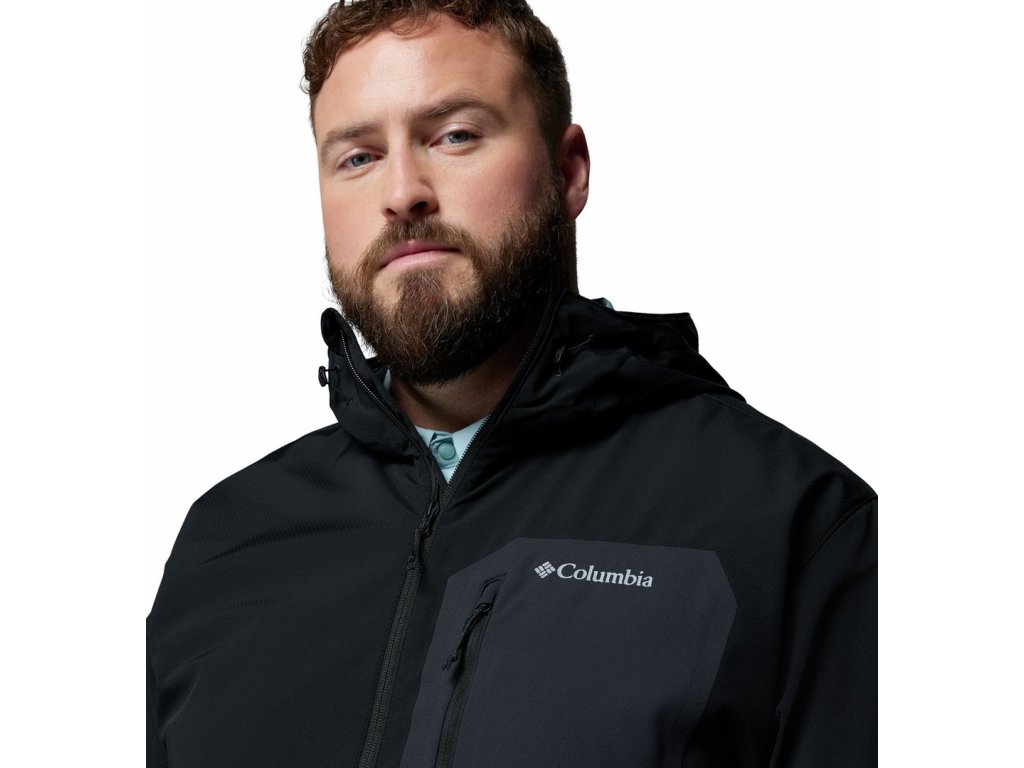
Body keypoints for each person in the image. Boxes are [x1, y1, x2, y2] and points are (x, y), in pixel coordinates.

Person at [147, 1, 877, 766]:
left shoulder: (792, 526)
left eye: (455, 135)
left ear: (569, 172)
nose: (403, 192)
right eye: (358, 157)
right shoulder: (224, 546)